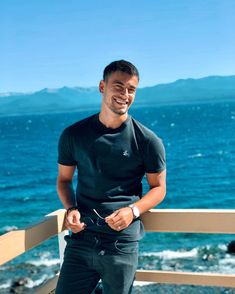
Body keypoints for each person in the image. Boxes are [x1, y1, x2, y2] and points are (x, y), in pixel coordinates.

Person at [55, 60, 166, 294]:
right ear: (102, 87)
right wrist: (70, 208)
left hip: (121, 244)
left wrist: (133, 211)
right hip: (80, 240)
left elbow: (159, 188)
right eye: (118, 86)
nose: (125, 94)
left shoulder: (147, 140)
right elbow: (64, 180)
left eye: (131, 89)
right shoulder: (73, 135)